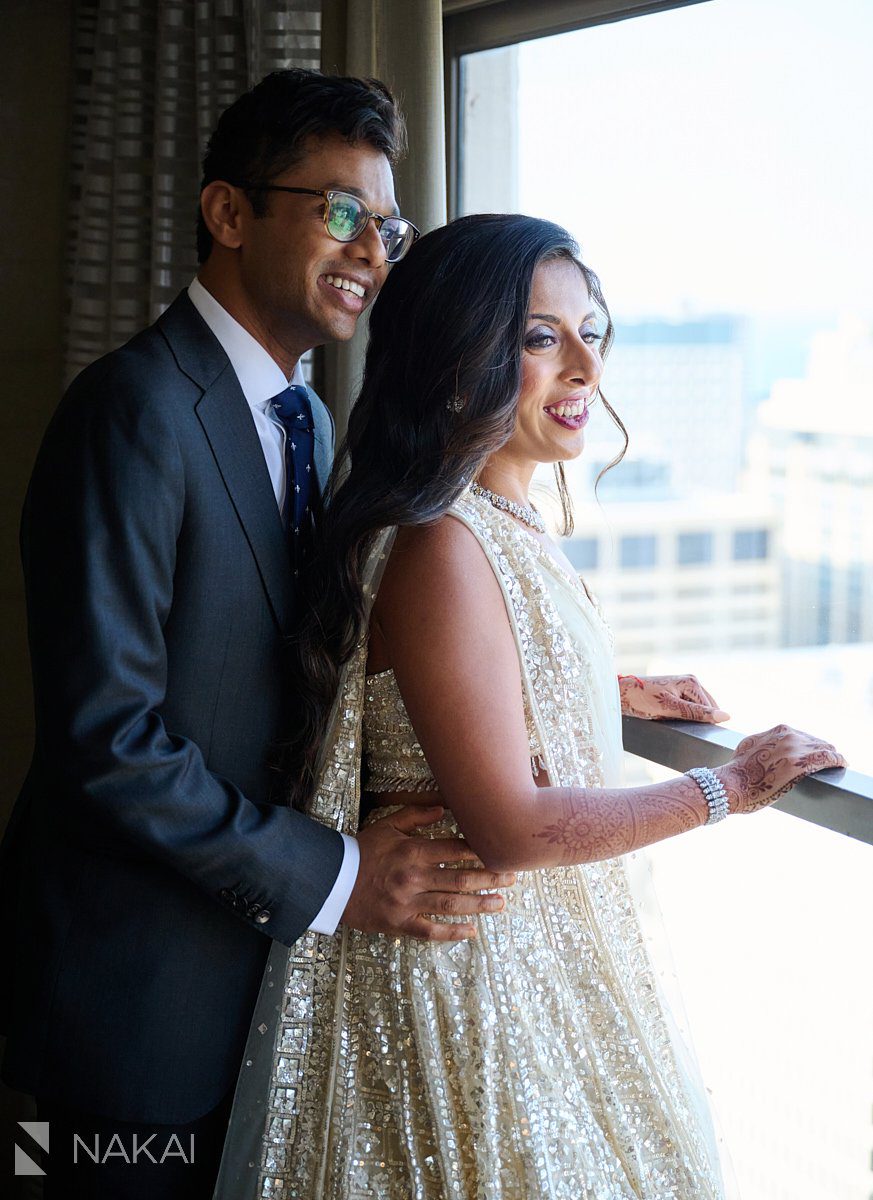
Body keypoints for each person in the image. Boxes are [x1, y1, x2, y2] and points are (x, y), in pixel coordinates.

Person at [216, 213, 847, 1199]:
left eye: (593, 333)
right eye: (542, 339)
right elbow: (509, 825)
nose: (586, 369)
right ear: (459, 353)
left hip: (533, 966)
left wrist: (597, 685)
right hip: (473, 983)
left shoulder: (497, 525)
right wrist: (729, 784)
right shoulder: (443, 543)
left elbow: (471, 676)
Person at [0, 71, 512, 1200]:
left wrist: (559, 670)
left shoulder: (303, 413)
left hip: (251, 980)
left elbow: (324, 638)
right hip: (121, 1006)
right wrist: (334, 876)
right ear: (229, 214)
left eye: (387, 225)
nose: (372, 251)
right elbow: (108, 744)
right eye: (339, 212)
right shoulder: (131, 411)